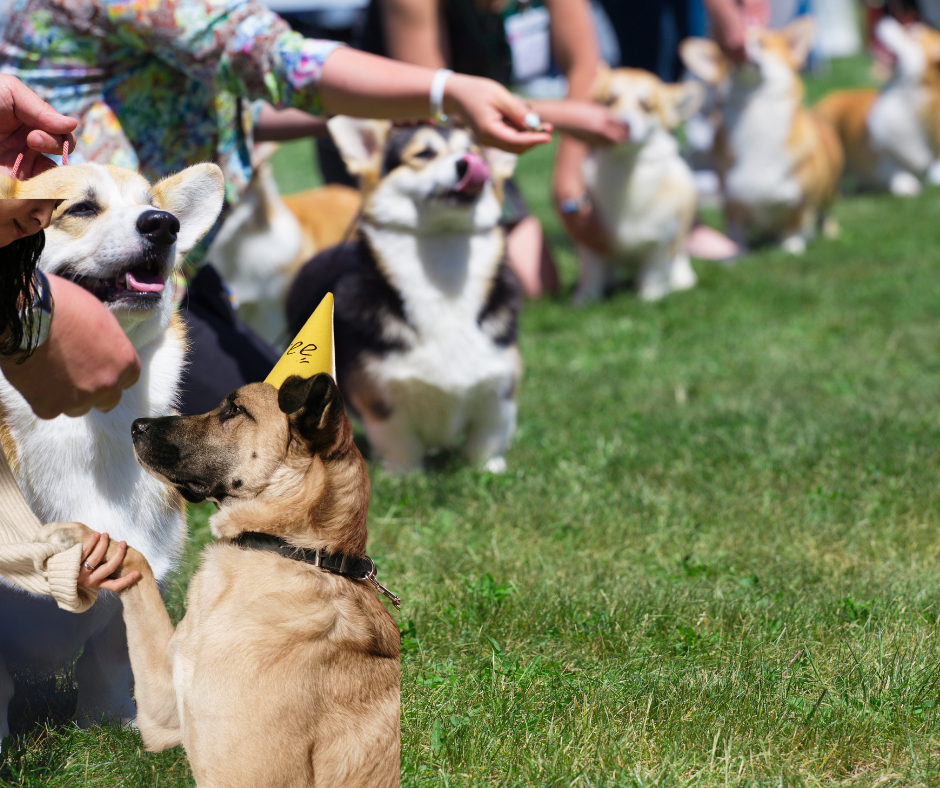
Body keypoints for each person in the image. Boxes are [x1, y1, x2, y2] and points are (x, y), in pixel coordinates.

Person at [0, 0, 551, 413]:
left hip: (154, 273)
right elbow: (276, 59)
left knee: (288, 418)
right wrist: (442, 91)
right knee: (260, 430)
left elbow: (234, 108)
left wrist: (390, 106)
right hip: (42, 274)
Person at [312, 0, 627, 297]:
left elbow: (583, 63)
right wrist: (561, 115)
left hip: (475, 144)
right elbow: (431, 101)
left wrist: (568, 186)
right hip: (395, 149)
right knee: (395, 285)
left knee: (535, 283)